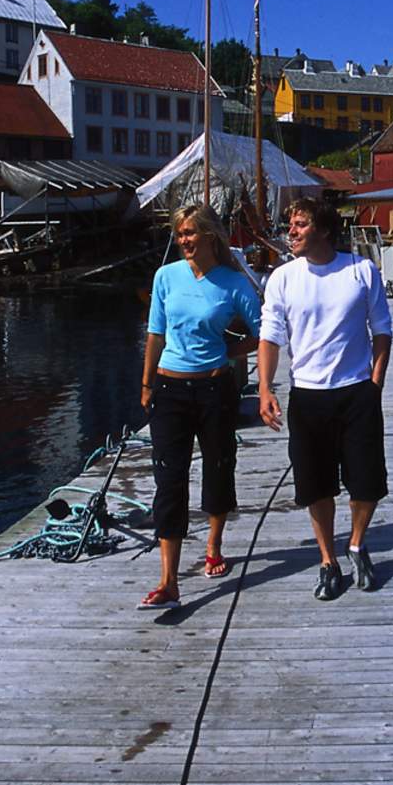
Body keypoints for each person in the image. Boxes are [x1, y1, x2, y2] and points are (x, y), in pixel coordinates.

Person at [257, 198, 393, 601]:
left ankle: (356, 545)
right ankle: (328, 561)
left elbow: (382, 329)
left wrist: (375, 383)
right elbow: (270, 336)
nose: (291, 232)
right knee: (315, 486)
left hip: (357, 393)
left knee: (366, 481)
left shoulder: (361, 270)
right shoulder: (282, 278)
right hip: (308, 396)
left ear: (325, 230)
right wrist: (265, 387)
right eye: (291, 224)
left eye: (300, 224)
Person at [138, 204, 261, 611]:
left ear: (210, 235)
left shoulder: (233, 283)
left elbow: (266, 332)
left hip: (214, 390)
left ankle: (213, 546)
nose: (185, 240)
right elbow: (156, 333)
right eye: (181, 233)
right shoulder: (165, 277)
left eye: (191, 232)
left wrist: (231, 352)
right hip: (169, 390)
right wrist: (146, 382)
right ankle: (168, 581)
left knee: (218, 466)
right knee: (168, 479)